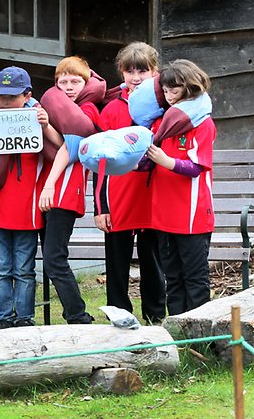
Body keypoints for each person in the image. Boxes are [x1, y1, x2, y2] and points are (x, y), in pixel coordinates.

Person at [0, 67, 51, 328]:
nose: (4, 101)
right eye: (0, 96)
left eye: (10, 96)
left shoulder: (37, 118)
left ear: (27, 95)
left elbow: (60, 148)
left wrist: (46, 126)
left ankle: (25, 318)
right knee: (0, 269)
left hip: (27, 207)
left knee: (24, 270)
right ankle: (4, 319)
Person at [95, 42, 166, 323]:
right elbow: (98, 161)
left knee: (153, 261)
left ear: (155, 72)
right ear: (121, 73)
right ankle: (119, 318)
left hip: (152, 197)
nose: (136, 77)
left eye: (143, 71)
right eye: (130, 70)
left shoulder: (165, 107)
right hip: (118, 196)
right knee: (117, 263)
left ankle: (155, 318)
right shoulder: (111, 110)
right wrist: (101, 206)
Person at [146, 59, 216, 315]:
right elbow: (145, 161)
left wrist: (166, 161)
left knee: (195, 279)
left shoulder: (203, 124)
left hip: (192, 216)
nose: (169, 97)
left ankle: (200, 341)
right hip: (164, 215)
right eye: (165, 91)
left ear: (190, 89)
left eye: (174, 90)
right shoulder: (161, 123)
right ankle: (177, 338)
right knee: (172, 278)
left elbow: (197, 168)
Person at [38, 56, 101, 324]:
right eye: (63, 82)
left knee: (54, 258)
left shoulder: (88, 110)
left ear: (86, 83)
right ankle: (73, 312)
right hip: (47, 190)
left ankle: (78, 315)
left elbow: (71, 146)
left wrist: (50, 183)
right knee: (51, 257)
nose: (68, 87)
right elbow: (58, 140)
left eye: (75, 81)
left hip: (64, 190)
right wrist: (45, 125)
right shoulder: (56, 109)